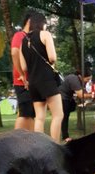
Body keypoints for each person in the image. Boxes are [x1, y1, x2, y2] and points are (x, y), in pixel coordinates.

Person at [20, 12, 63, 143]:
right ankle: (55, 146)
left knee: (39, 117)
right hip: (46, 80)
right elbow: (52, 57)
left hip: (33, 82)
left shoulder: (23, 40)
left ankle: (39, 147)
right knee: (58, 115)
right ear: (42, 23)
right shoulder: (45, 35)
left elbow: (24, 67)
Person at [11, 12, 35, 130]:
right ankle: (15, 141)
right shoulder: (19, 35)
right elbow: (14, 52)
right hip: (22, 82)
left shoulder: (30, 37)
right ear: (29, 21)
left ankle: (31, 139)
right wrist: (22, 75)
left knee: (30, 113)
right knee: (25, 113)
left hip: (30, 82)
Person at [59, 66, 94, 143]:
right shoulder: (74, 79)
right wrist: (92, 94)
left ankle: (64, 135)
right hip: (62, 98)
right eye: (87, 79)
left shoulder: (77, 79)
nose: (88, 81)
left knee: (66, 114)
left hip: (67, 98)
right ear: (81, 76)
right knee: (65, 117)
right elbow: (81, 95)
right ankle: (65, 136)